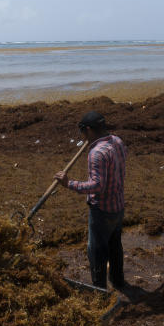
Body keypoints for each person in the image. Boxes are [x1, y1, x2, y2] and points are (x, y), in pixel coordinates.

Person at [54, 111, 128, 290]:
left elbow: (97, 186)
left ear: (88, 130)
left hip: (102, 210)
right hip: (118, 205)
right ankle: (118, 282)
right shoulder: (117, 141)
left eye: (82, 132)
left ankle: (99, 289)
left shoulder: (96, 153)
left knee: (96, 252)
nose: (82, 136)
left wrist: (68, 183)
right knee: (115, 246)